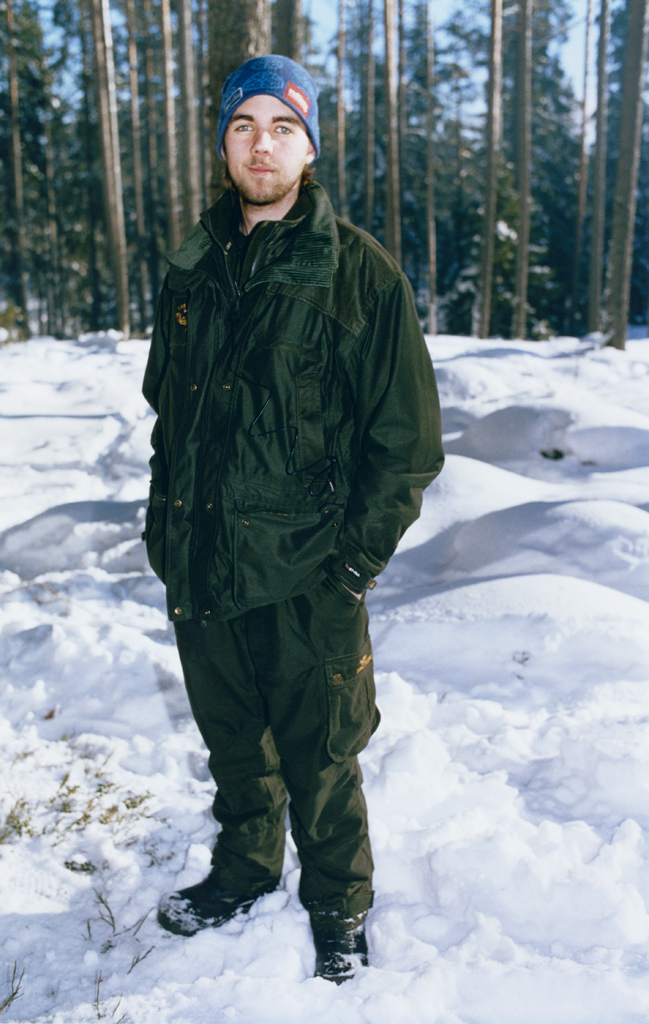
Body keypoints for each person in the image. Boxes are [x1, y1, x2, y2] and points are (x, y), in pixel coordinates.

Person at [142, 54, 444, 983]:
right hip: (203, 560)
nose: (261, 145)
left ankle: (340, 905)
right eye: (243, 126)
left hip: (309, 575)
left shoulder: (359, 274)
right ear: (223, 144)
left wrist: (352, 565)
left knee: (321, 758)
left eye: (282, 127)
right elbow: (169, 414)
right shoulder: (192, 269)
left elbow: (406, 444)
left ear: (309, 148)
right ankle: (244, 870)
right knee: (233, 740)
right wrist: (165, 529)